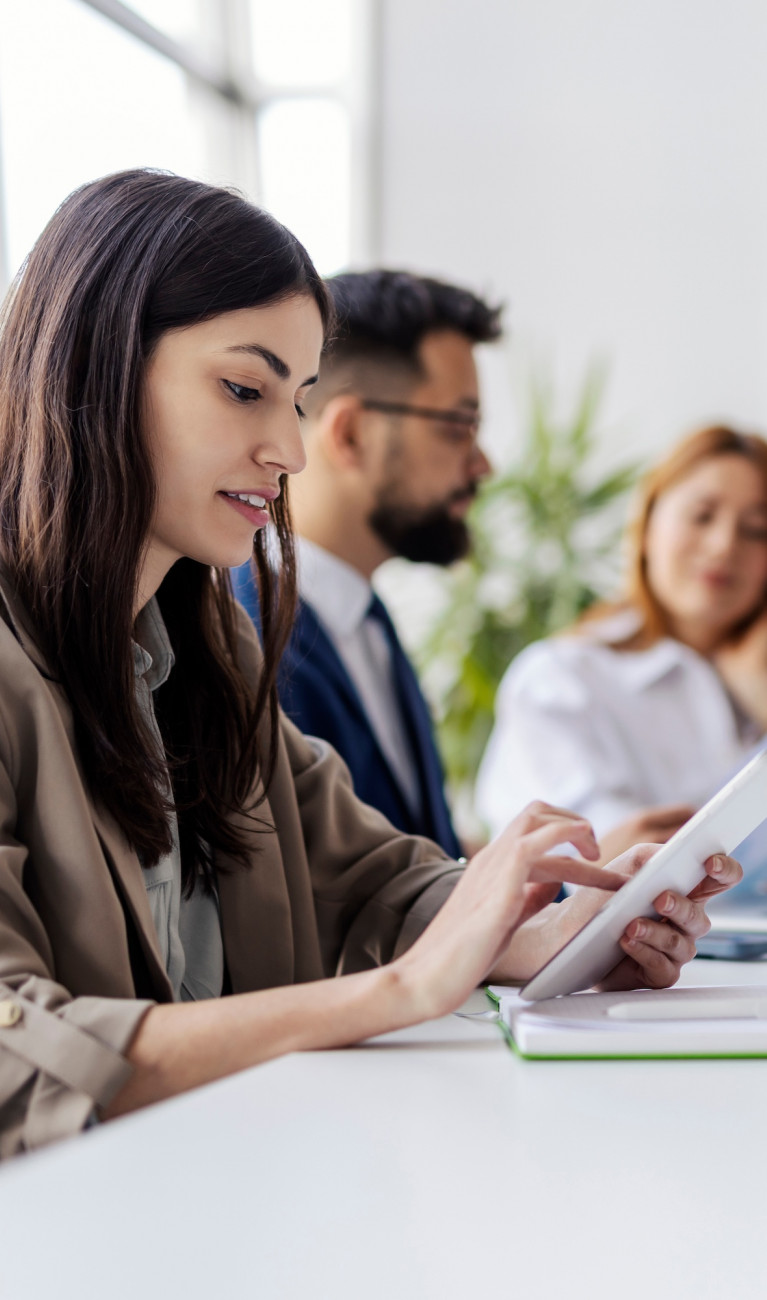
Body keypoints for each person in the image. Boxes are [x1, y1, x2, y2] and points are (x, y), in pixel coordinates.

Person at [0, 172, 737, 1160]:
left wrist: (553, 935)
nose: (290, 449)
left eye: (297, 400)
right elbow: (19, 1056)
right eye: (243, 389)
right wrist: (399, 990)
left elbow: (376, 881)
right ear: (95, 367)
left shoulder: (213, 652)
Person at [232, 269, 500, 856]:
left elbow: (414, 854)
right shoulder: (242, 632)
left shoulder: (366, 619)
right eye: (459, 427)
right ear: (350, 434)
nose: (483, 464)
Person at [476, 425, 767, 861]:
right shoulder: (561, 679)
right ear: (648, 526)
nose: (724, 545)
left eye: (757, 529)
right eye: (702, 516)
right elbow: (597, 859)